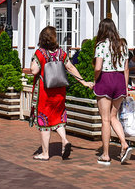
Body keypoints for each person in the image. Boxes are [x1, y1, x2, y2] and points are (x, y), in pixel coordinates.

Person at [24, 26, 92, 161]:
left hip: (45, 93)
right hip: (59, 92)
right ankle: (64, 140)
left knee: (44, 122)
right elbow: (70, 67)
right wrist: (83, 82)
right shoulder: (61, 53)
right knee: (58, 118)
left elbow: (34, 70)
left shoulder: (40, 53)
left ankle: (45, 153)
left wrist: (33, 59)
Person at [94, 18, 133, 165]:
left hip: (105, 78)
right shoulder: (123, 44)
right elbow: (126, 68)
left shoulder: (101, 45)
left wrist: (95, 79)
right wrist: (126, 86)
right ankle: (124, 143)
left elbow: (98, 67)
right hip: (119, 80)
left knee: (105, 120)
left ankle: (105, 155)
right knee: (113, 116)